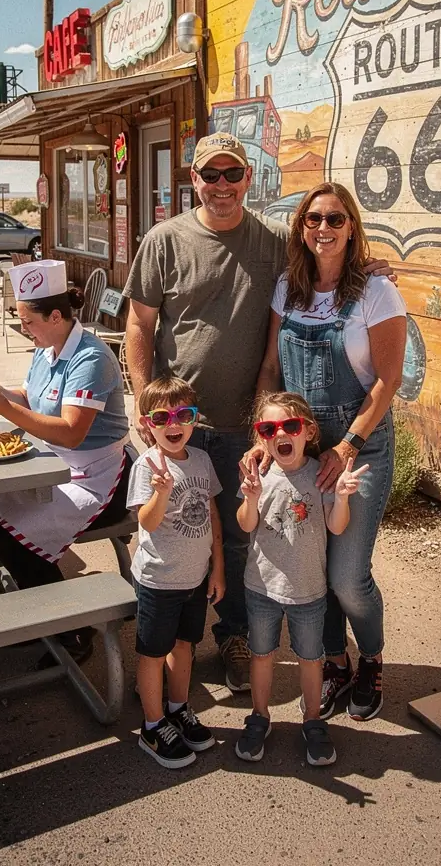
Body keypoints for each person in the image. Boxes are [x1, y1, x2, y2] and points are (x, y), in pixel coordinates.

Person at [124, 132, 393, 692]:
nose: (221, 186)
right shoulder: (164, 240)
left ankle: (241, 639)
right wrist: (147, 411)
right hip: (181, 426)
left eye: (232, 174)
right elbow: (138, 326)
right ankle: (176, 640)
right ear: (193, 179)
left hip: (267, 431)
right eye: (210, 175)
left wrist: (369, 270)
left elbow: (328, 261)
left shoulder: (275, 242)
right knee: (186, 529)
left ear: (248, 178)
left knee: (254, 537)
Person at [254, 181, 406, 722]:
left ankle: (371, 661)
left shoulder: (377, 292)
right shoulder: (287, 289)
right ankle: (335, 662)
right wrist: (264, 435)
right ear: (301, 226)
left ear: (352, 227)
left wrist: (348, 444)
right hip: (302, 445)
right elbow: (272, 369)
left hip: (359, 448)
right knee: (313, 568)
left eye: (336, 220)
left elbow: (387, 382)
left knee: (347, 575)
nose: (324, 228)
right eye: (314, 218)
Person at [0, 259, 129, 663]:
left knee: (11, 533)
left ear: (56, 315)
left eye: (28, 321)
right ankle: (44, 610)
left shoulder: (90, 358)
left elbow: (71, 431)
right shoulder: (48, 346)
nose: (24, 328)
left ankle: (73, 629)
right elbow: (29, 398)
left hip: (103, 477)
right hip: (60, 466)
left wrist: (3, 407)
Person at [236, 392, 368, 767]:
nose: (281, 433)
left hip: (309, 590)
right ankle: (259, 715)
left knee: (311, 659)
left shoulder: (321, 475)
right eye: (269, 428)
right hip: (261, 586)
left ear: (308, 431)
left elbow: (336, 526)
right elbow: (245, 524)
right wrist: (249, 498)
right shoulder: (257, 474)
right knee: (262, 655)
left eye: (290, 425)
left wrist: (341, 497)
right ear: (261, 437)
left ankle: (312, 721)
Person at [126, 375, 224, 769]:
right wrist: (162, 491)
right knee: (152, 654)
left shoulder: (201, 460)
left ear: (195, 420)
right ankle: (152, 725)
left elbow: (213, 516)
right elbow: (147, 522)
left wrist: (219, 569)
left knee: (185, 645)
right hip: (158, 579)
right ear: (148, 423)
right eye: (162, 417)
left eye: (184, 415)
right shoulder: (146, 466)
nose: (174, 424)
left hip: (195, 577)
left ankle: (178, 708)